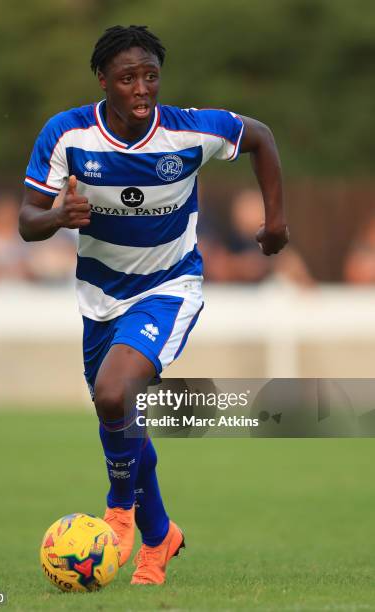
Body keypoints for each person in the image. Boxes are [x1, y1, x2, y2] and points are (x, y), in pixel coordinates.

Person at [19, 25, 288, 585]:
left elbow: (260, 137)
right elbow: (28, 220)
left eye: (150, 77)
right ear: (103, 82)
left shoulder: (188, 131)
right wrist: (57, 217)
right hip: (98, 298)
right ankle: (161, 536)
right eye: (127, 78)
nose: (141, 89)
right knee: (116, 412)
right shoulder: (67, 135)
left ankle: (119, 516)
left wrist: (276, 221)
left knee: (116, 392)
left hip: (170, 287)